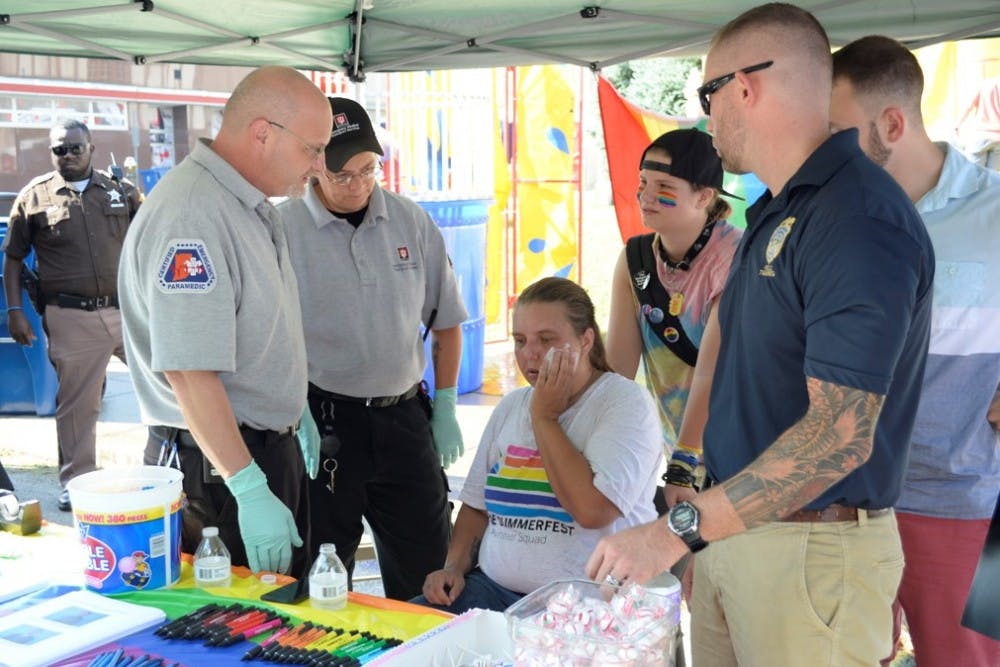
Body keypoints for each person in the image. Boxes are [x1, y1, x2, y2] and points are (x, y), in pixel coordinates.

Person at [586, 4, 935, 666]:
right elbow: (727, 361)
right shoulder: (780, 208)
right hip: (737, 533)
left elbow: (838, 436)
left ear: (744, 87)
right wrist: (690, 477)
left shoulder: (856, 216)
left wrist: (673, 531)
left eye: (706, 95)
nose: (705, 118)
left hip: (810, 550)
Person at [117, 66, 333, 577]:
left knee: (281, 622)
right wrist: (248, 485)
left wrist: (289, 406)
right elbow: (190, 373)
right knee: (237, 636)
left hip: (250, 455)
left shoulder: (248, 205)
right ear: (263, 132)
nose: (320, 166)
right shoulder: (194, 215)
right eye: (313, 148)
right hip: (221, 471)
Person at [830, 35, 1000, 667]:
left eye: (838, 131)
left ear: (892, 124)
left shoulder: (995, 211)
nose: (827, 148)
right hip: (843, 498)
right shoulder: (836, 215)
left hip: (968, 501)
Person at [277, 97, 467, 601]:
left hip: (403, 416)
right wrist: (297, 410)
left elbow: (447, 322)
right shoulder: (282, 229)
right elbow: (269, 339)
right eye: (344, 174)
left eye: (370, 168)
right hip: (326, 424)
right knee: (321, 568)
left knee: (430, 569)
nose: (360, 183)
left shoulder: (410, 221)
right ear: (314, 164)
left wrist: (445, 405)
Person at [413, 277, 662, 614]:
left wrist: (545, 418)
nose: (530, 354)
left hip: (586, 607)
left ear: (586, 339)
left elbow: (593, 511)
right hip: (491, 591)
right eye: (520, 340)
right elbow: (475, 507)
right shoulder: (512, 405)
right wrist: (454, 567)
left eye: (547, 340)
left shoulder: (624, 403)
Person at [2, 119, 140, 512]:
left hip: (126, 311)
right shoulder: (34, 197)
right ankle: (77, 483)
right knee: (78, 406)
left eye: (75, 148)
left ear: (91, 148)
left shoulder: (120, 191)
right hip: (71, 315)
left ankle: (172, 464)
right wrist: (16, 312)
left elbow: (147, 244)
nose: (68, 155)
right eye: (59, 149)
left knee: (169, 383)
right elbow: (13, 260)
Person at [606, 128, 742, 517]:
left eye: (664, 185)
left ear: (704, 196)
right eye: (643, 183)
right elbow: (618, 371)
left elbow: (710, 374)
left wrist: (682, 465)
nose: (646, 196)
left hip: (735, 452)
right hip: (674, 447)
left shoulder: (733, 258)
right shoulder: (635, 260)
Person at [955, 77, 1000, 170]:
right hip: (998, 139)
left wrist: (957, 125)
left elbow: (968, 107)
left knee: (972, 173)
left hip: (980, 136)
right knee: (991, 177)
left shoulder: (985, 85)